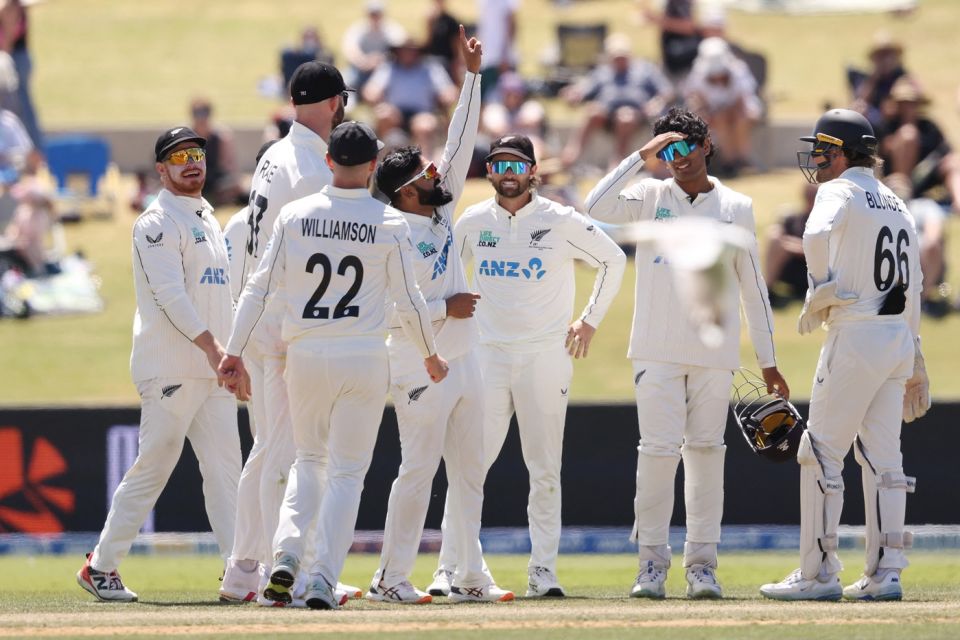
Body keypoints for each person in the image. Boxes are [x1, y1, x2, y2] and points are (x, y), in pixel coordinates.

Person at [219, 121, 448, 611]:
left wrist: (233, 351)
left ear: (329, 162)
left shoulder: (296, 215)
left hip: (303, 354)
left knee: (307, 461)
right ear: (371, 167)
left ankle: (284, 558)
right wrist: (429, 352)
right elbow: (408, 301)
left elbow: (259, 289)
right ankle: (322, 577)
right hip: (363, 354)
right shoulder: (388, 223)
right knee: (346, 474)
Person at [583, 107, 788, 599]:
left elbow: (753, 287)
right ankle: (651, 564)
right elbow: (595, 206)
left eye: (682, 148)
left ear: (706, 146)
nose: (675, 159)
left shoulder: (736, 205)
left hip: (714, 355)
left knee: (705, 457)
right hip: (655, 351)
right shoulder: (650, 196)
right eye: (667, 151)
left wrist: (768, 360)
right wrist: (641, 155)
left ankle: (702, 566)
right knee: (656, 454)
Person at [434, 133, 627, 598]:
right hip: (488, 355)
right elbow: (448, 281)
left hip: (546, 354)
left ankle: (543, 573)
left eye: (516, 165)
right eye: (499, 165)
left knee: (543, 467)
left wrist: (589, 320)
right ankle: (450, 568)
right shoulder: (473, 221)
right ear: (489, 172)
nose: (507, 173)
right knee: (469, 466)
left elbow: (613, 259)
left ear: (534, 173)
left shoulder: (560, 219)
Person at [366, 28, 513, 605]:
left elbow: (461, 139)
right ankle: (390, 578)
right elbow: (389, 310)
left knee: (470, 470)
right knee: (418, 472)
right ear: (404, 193)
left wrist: (471, 75)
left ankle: (468, 574)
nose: (436, 176)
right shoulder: (391, 231)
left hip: (466, 355)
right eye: (423, 177)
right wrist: (443, 307)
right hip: (417, 363)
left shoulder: (439, 207)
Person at [760, 108, 929, 602]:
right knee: (883, 459)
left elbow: (814, 235)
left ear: (839, 152)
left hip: (855, 334)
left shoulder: (837, 190)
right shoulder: (897, 201)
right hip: (896, 337)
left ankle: (818, 574)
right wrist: (914, 353)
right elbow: (915, 283)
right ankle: (886, 574)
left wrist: (820, 288)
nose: (815, 160)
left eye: (821, 150)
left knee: (819, 452)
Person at [76, 127, 242, 602]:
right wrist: (214, 349)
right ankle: (101, 567)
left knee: (227, 470)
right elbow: (170, 296)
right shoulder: (154, 223)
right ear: (161, 170)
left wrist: (230, 353)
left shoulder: (208, 217)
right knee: (155, 465)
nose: (192, 162)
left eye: (197, 154)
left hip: (214, 369)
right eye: (179, 157)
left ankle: (238, 573)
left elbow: (220, 298)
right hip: (170, 366)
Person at [218, 61, 360, 607]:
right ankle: (281, 572)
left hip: (264, 318)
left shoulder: (277, 154)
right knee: (291, 454)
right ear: (333, 103)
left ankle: (245, 569)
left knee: (273, 450)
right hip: (287, 325)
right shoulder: (312, 167)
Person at [560, 33, 673, 169]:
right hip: (607, 114)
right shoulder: (602, 73)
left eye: (623, 56)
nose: (620, 60)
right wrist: (574, 95)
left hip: (636, 115)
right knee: (593, 111)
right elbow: (583, 90)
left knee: (624, 117)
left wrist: (655, 104)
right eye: (616, 57)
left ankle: (617, 162)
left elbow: (667, 91)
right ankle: (571, 154)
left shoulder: (645, 70)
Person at [362, 38, 457, 159]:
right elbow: (371, 90)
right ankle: (383, 163)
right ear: (398, 51)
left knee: (424, 126)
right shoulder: (388, 67)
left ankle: (425, 168)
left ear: (418, 52)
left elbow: (449, 91)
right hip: (395, 114)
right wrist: (373, 95)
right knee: (384, 115)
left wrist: (447, 96)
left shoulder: (431, 69)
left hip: (422, 113)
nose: (407, 54)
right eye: (404, 50)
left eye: (411, 50)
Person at [876, 78, 960, 213]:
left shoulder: (928, 126)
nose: (909, 107)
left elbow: (946, 152)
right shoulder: (887, 127)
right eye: (904, 103)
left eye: (912, 103)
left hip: (926, 176)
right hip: (896, 180)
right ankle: (902, 194)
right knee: (909, 135)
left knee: (954, 162)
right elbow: (877, 157)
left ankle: (958, 203)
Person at [682, 37, 762, 175]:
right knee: (720, 121)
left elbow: (742, 101)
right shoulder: (697, 74)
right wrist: (706, 113)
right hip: (712, 113)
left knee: (738, 120)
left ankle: (741, 159)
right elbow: (693, 98)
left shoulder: (738, 70)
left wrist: (729, 113)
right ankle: (729, 162)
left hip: (739, 111)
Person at [764, 183, 818, 308]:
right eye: (809, 195)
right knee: (773, 235)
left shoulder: (825, 222)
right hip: (789, 268)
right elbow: (778, 237)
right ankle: (768, 290)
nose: (811, 198)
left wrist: (795, 247)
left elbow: (822, 252)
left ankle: (768, 291)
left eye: (814, 195)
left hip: (810, 271)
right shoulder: (794, 218)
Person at [341, 0, 407, 95]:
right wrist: (364, 61)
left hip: (385, 69)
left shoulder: (393, 29)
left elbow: (400, 50)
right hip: (361, 68)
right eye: (372, 13)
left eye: (377, 13)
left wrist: (380, 60)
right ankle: (350, 96)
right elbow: (350, 49)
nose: (375, 16)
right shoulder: (358, 29)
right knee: (349, 77)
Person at [190, 98, 243, 206]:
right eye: (198, 114)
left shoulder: (221, 137)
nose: (201, 119)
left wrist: (236, 181)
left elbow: (230, 164)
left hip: (215, 179)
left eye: (204, 113)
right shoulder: (186, 138)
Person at [475, 0, 518, 97]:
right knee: (482, 97)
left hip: (500, 59)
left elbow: (512, 25)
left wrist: (506, 55)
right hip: (486, 58)